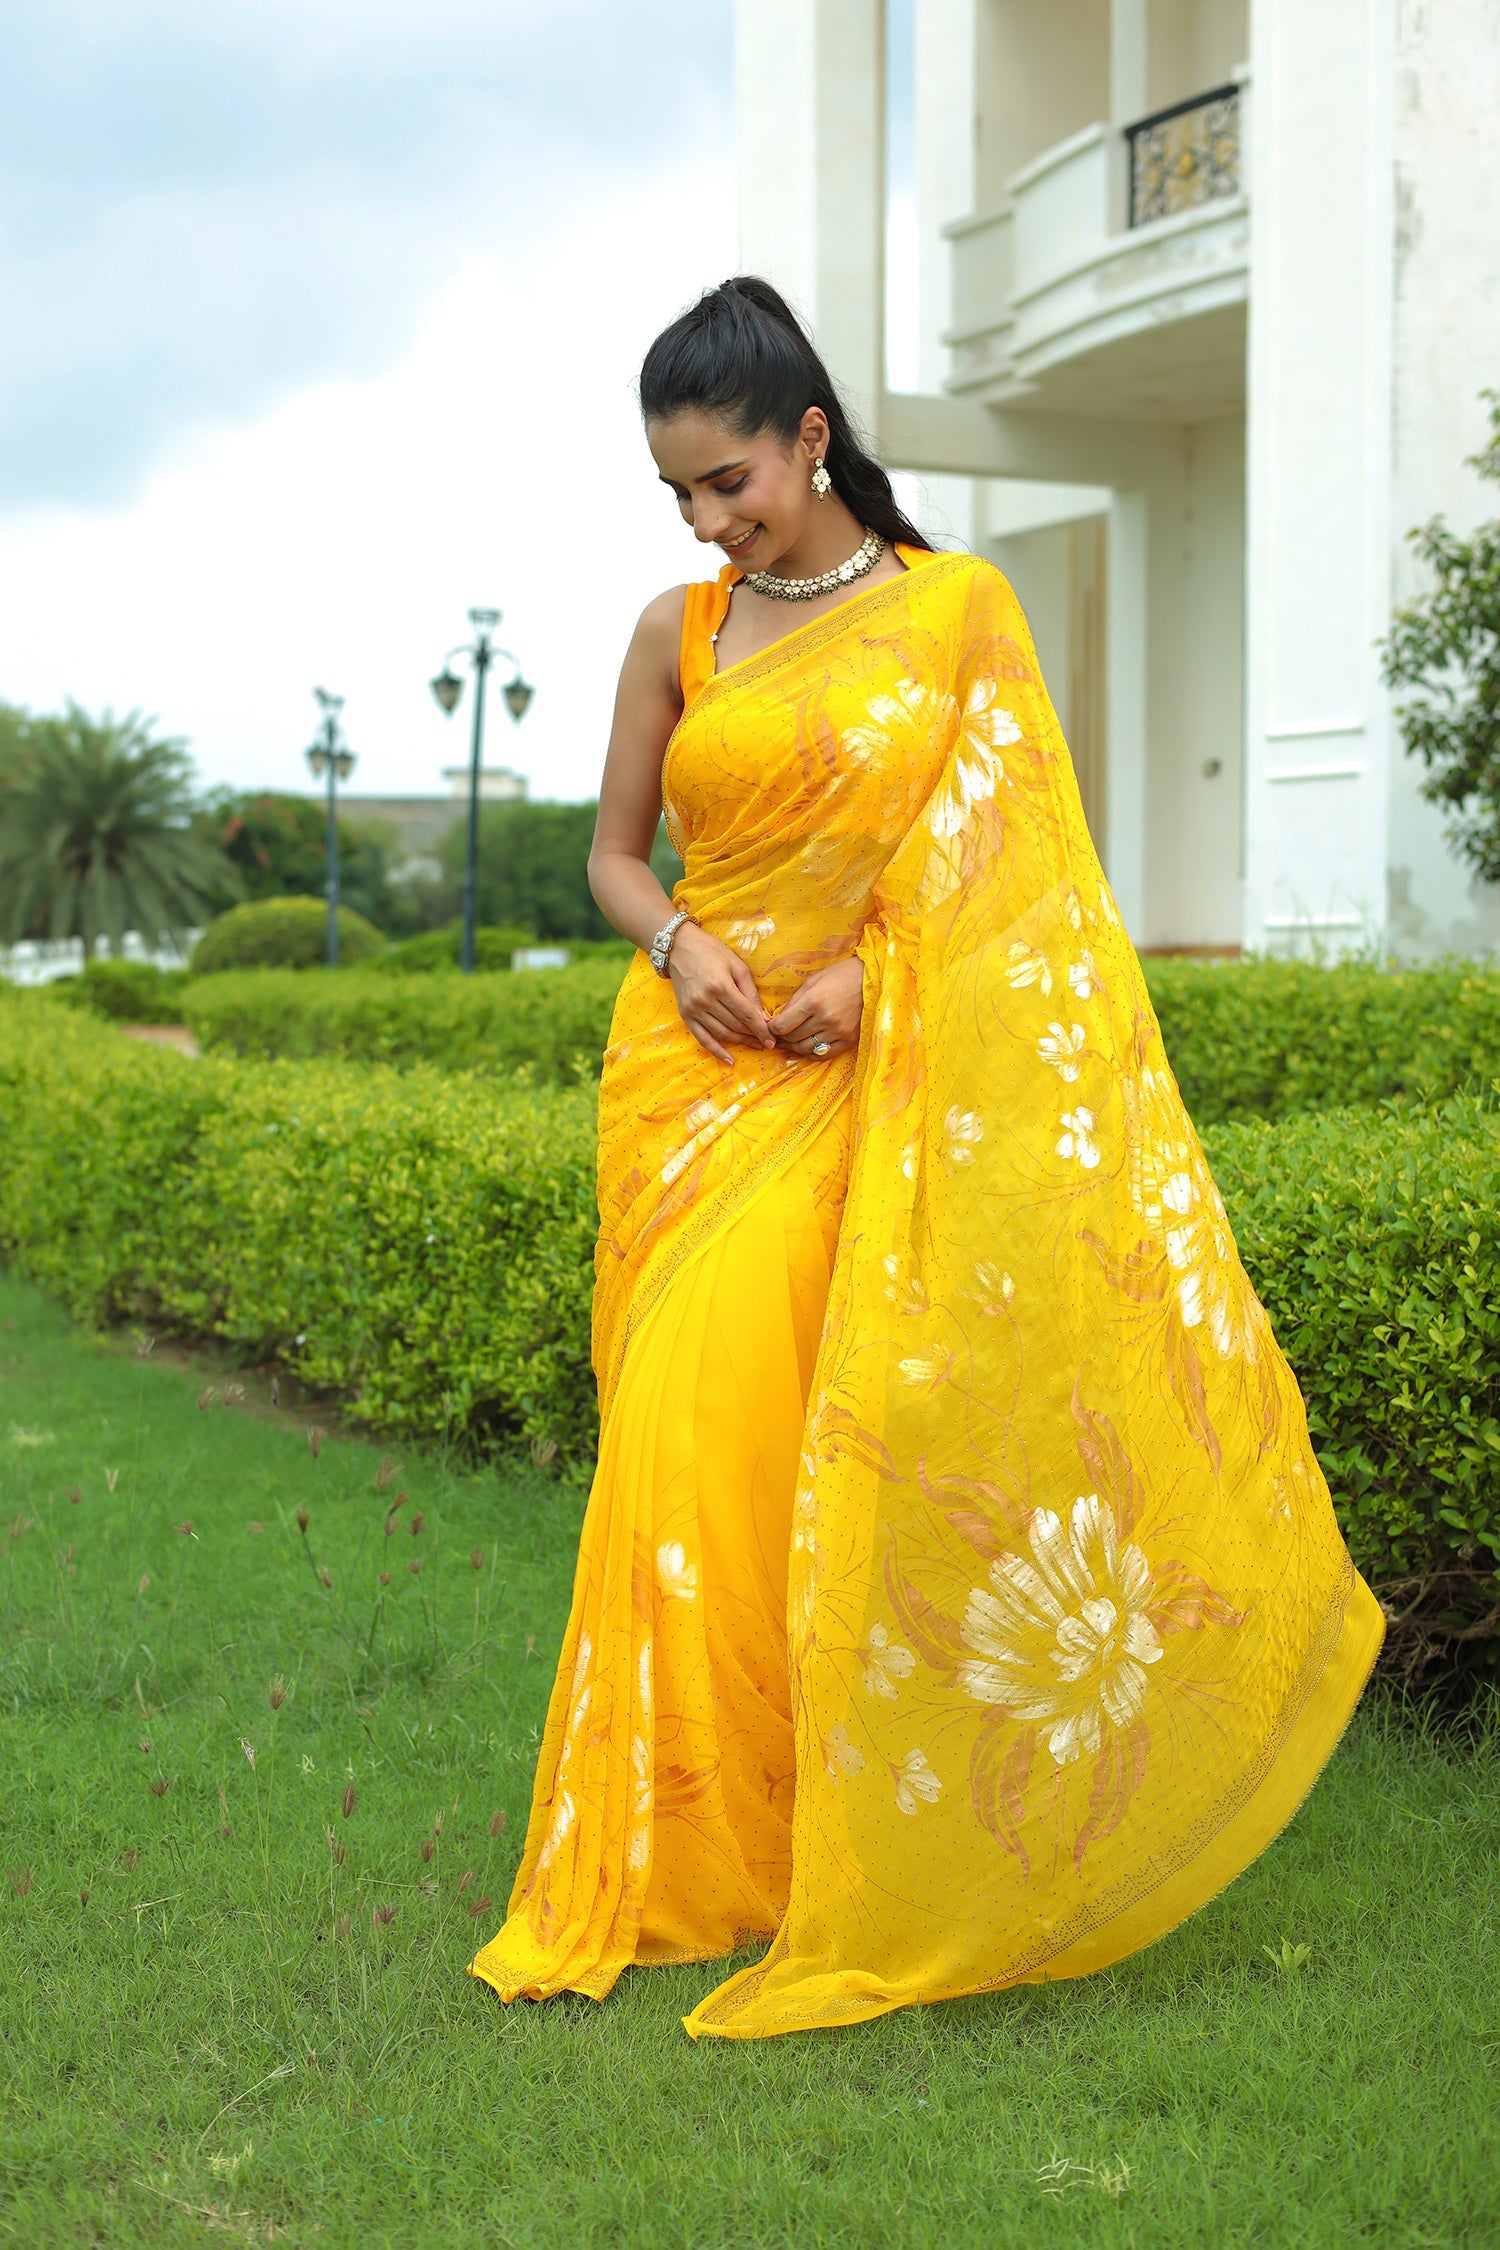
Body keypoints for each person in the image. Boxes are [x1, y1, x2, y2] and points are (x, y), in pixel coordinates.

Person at [469, 276, 1383, 2042]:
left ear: (811, 439)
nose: (708, 521)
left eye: (730, 481)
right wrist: (677, 947)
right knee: (686, 1444)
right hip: (688, 1083)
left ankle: (853, 1841)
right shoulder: (681, 629)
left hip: (877, 1079)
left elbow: (1020, 870)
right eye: (679, 495)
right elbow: (612, 856)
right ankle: (689, 1862)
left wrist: (863, 975)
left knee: (831, 1451)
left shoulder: (958, 613)